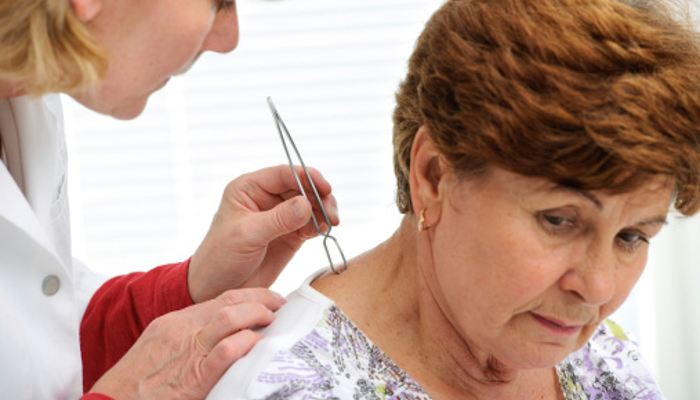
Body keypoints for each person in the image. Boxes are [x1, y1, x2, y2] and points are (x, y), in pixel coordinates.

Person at [204, 0, 700, 398]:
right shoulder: (290, 385)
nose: (597, 288)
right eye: (558, 221)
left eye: (632, 236)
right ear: (434, 175)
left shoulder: (597, 357)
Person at [0, 0, 339, 399]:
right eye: (219, 3)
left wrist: (189, 289)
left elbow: (40, 328)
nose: (228, 40)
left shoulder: (25, 99)